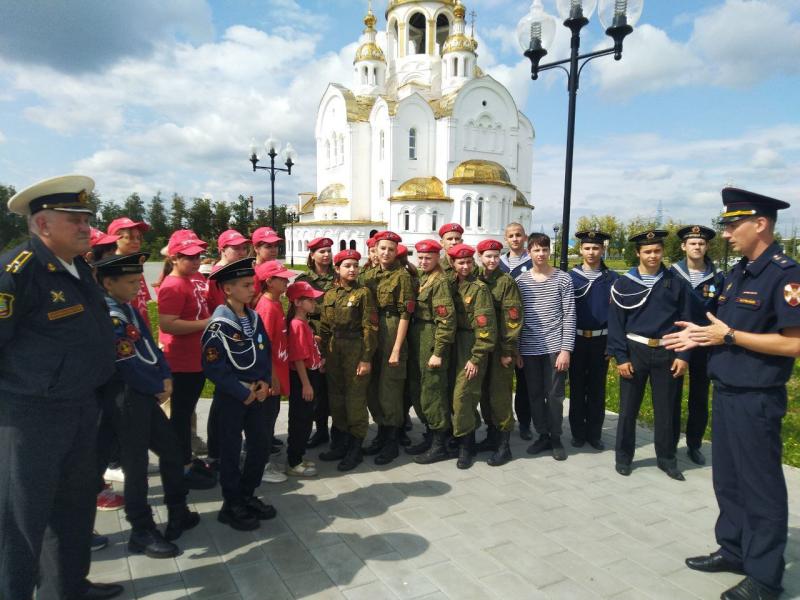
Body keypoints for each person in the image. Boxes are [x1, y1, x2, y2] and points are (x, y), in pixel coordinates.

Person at [665, 188, 800, 600]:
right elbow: (722, 330)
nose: (725, 234)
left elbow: (794, 343)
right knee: (729, 480)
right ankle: (734, 549)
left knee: (760, 486)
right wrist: (703, 337)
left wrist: (729, 335)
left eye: (732, 225)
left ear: (760, 224)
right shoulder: (739, 271)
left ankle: (764, 577)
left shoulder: (785, 274)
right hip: (727, 391)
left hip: (757, 397)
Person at [0, 175, 122, 600]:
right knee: (20, 526)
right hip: (31, 419)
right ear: (42, 224)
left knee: (72, 512)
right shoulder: (17, 272)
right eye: (74, 219)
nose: (86, 226)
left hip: (80, 409)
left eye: (87, 217)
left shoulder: (78, 269)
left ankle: (68, 588)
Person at [95, 252, 200, 558]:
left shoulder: (127, 308)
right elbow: (126, 361)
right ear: (108, 282)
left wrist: (165, 375)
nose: (136, 287)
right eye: (130, 282)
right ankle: (141, 529)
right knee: (136, 464)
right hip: (125, 397)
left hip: (144, 392)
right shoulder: (109, 314)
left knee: (170, 450)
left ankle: (178, 510)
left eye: (138, 280)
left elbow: (150, 346)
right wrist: (157, 385)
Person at [607, 229, 691, 481]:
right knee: (628, 409)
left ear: (662, 251)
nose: (653, 256)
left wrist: (684, 354)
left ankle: (667, 459)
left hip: (667, 352)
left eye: (657, 250)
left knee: (666, 410)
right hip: (635, 351)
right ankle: (623, 457)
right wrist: (621, 358)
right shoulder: (624, 284)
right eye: (647, 251)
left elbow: (687, 322)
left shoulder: (676, 283)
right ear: (638, 253)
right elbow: (616, 324)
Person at [201, 258, 276, 531]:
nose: (251, 289)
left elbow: (264, 353)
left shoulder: (253, 318)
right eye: (245, 285)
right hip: (233, 397)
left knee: (260, 445)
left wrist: (265, 383)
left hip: (257, 394)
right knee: (231, 452)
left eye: (251, 284)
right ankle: (231, 503)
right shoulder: (219, 324)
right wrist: (240, 391)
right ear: (228, 289)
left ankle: (247, 493)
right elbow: (213, 366)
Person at [157, 230, 216, 489]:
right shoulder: (172, 285)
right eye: (189, 257)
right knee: (180, 416)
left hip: (195, 357)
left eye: (198, 256)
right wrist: (206, 323)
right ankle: (181, 465)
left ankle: (186, 459)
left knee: (185, 411)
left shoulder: (189, 279)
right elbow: (168, 324)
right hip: (181, 361)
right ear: (174, 257)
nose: (195, 261)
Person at [516, 233, 575, 462]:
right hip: (530, 349)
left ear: (549, 252)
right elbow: (517, 318)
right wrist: (517, 350)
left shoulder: (563, 279)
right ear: (528, 252)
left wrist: (565, 349)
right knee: (535, 394)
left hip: (554, 348)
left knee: (555, 395)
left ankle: (556, 437)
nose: (541, 254)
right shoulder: (521, 282)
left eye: (544, 250)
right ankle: (542, 434)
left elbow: (569, 315)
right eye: (536, 250)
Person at [669, 225, 724, 465]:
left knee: (699, 398)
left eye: (701, 243)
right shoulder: (671, 274)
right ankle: (668, 444)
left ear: (707, 246)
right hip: (676, 341)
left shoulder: (718, 277)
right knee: (670, 396)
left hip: (704, 343)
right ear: (683, 246)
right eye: (692, 243)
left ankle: (694, 444)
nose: (697, 247)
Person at [319, 249, 378, 471]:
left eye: (355, 265)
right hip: (335, 351)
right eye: (347, 266)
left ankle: (355, 447)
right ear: (337, 269)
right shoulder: (330, 294)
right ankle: (341, 443)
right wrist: (323, 355)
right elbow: (325, 327)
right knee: (337, 398)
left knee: (355, 399)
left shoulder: (363, 293)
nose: (352, 269)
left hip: (355, 349)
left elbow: (369, 327)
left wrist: (366, 358)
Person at [362, 230, 415, 465]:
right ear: (375, 250)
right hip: (373, 329)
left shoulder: (402, 276)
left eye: (391, 250)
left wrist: (396, 348)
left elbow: (406, 313)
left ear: (396, 253)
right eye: (382, 248)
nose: (386, 253)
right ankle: (382, 434)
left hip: (393, 328)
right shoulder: (370, 275)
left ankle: (392, 440)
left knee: (390, 387)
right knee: (373, 387)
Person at [568, 230, 619, 451]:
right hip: (577, 340)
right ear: (580, 250)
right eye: (587, 248)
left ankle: (595, 434)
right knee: (577, 388)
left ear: (603, 250)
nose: (591, 252)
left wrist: (614, 344)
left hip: (601, 341)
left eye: (596, 248)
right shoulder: (570, 277)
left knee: (597, 390)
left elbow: (618, 314)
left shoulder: (613, 278)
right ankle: (578, 433)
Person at [447, 244, 497, 469]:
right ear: (452, 264)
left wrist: (476, 357)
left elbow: (486, 328)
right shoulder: (450, 285)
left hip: (471, 345)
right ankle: (461, 437)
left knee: (463, 397)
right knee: (452, 396)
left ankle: (467, 447)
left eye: (468, 262)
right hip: (453, 345)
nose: (465, 266)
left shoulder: (479, 289)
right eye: (460, 262)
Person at [406, 239, 455, 463]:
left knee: (433, 392)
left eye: (428, 258)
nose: (424, 261)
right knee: (420, 389)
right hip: (419, 338)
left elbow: (446, 321)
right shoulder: (424, 278)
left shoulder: (440, 282)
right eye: (421, 257)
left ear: (438, 258)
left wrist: (438, 352)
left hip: (431, 341)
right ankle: (429, 434)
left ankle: (440, 443)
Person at [476, 239, 522, 466]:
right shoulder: (477, 279)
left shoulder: (506, 282)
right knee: (484, 392)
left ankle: (504, 445)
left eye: (496, 256)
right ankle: (491, 436)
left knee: (500, 394)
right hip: (482, 347)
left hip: (500, 349)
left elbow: (512, 320)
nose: (492, 260)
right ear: (480, 257)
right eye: (488, 256)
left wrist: (508, 351)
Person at [254, 260, 297, 484]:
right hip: (270, 376)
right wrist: (272, 377)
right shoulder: (267, 308)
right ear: (269, 282)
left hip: (277, 371)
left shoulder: (276, 303)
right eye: (282, 278)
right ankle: (260, 466)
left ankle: (262, 459)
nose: (287, 280)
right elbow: (263, 347)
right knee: (264, 421)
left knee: (269, 420)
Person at [295, 238, 337, 450]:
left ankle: (336, 429)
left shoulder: (338, 278)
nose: (326, 255)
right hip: (312, 337)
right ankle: (320, 430)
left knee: (333, 386)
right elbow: (295, 313)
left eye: (329, 251)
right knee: (316, 388)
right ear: (312, 255)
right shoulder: (303, 279)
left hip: (334, 337)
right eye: (321, 251)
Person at [285, 281, 325, 477]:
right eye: (310, 300)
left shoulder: (303, 323)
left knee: (306, 418)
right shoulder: (297, 325)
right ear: (298, 302)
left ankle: (299, 456)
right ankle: (294, 461)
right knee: (300, 420)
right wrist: (306, 384)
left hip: (312, 373)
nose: (314, 303)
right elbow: (298, 358)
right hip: (304, 377)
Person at [498, 222, 534, 441]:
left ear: (525, 237)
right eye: (511, 235)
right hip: (502, 330)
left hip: (526, 329)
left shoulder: (533, 262)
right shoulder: (498, 262)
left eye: (518, 235)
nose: (515, 239)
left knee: (524, 383)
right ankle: (499, 423)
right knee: (501, 381)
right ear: (506, 239)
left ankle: (525, 423)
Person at [107, 217, 152, 326]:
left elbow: (143, 307)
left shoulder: (136, 266)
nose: (136, 242)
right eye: (130, 238)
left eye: (138, 238)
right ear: (115, 240)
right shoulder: (110, 270)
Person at [206, 229, 251, 312]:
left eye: (244, 248)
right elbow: (222, 307)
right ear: (223, 250)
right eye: (236, 248)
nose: (242, 252)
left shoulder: (233, 269)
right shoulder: (218, 274)